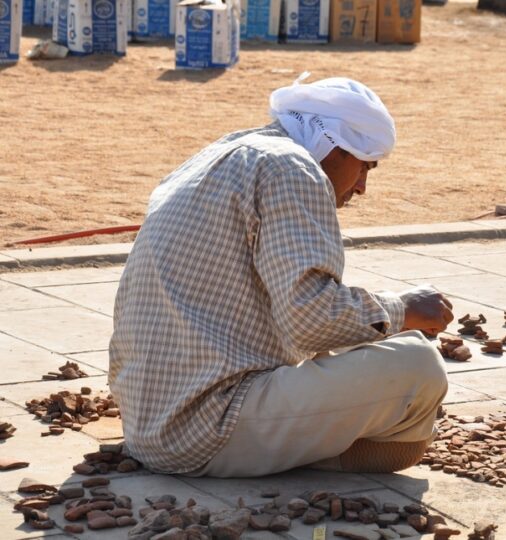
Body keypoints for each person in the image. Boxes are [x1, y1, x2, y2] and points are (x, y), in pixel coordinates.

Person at [109, 75, 453, 478]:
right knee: (419, 365)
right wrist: (402, 308)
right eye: (365, 166)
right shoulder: (293, 168)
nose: (361, 187)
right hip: (204, 428)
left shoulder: (228, 150)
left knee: (371, 336)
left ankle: (302, 445)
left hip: (148, 417)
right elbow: (312, 320)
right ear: (334, 146)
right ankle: (320, 454)